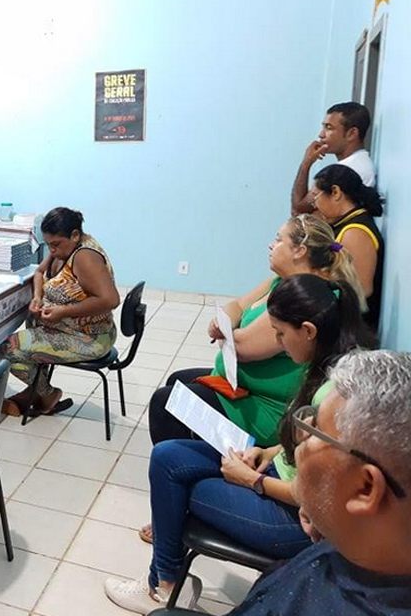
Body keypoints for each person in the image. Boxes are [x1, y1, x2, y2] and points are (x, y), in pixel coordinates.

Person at [104, 275, 376, 614]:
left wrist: (253, 481)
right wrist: (269, 452)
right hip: (278, 474)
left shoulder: (334, 395)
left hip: (290, 517)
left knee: (177, 487)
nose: (277, 342)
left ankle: (160, 585)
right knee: (167, 457)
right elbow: (299, 448)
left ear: (308, 330)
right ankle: (168, 581)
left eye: (280, 334)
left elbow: (316, 497)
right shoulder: (321, 366)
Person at [148, 214, 365, 448]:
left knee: (165, 402)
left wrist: (227, 330)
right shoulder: (280, 281)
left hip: (267, 404)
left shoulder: (305, 298)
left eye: (278, 239)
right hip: (243, 385)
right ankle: (189, 457)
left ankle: (187, 463)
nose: (271, 245)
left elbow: (241, 347)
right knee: (176, 381)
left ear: (299, 251)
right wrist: (228, 327)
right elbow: (237, 305)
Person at [224, 350, 411, 615]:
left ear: (365, 488)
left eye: (315, 430)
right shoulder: (370, 548)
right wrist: (330, 517)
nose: (299, 440)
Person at [0, 207, 120, 417]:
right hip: (66, 328)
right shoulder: (63, 250)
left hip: (90, 337)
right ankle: (36, 391)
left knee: (8, 349)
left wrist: (63, 312)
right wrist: (37, 297)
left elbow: (110, 299)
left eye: (55, 245)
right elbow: (39, 272)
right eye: (48, 245)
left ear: (74, 235)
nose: (51, 250)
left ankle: (46, 394)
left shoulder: (84, 256)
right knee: (30, 327)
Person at [310, 164, 385, 327]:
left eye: (316, 196)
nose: (314, 204)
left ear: (336, 192)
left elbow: (360, 290)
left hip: (354, 332)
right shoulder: (344, 225)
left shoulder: (356, 232)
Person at [291, 101, 375, 215]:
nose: (321, 134)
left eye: (329, 128)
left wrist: (306, 163)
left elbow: (298, 210)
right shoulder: (354, 164)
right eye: (323, 127)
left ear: (352, 134)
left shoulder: (351, 169)